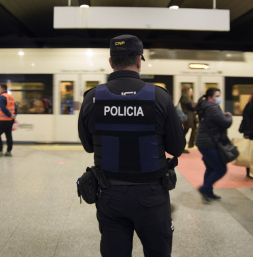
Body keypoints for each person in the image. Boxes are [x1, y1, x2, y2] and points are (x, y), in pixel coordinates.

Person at [78, 34, 186, 257]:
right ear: (139, 60)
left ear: (110, 61)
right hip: (152, 195)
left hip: (109, 194)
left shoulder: (92, 98)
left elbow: (88, 146)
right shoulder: (159, 96)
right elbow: (177, 147)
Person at [195, 87, 232, 202]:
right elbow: (225, 122)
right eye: (217, 96)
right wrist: (229, 116)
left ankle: (209, 192)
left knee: (211, 167)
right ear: (210, 97)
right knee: (221, 169)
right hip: (209, 143)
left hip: (204, 142)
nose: (219, 98)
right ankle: (205, 188)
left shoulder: (206, 106)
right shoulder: (212, 108)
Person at [0, 84, 17, 158]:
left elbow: (3, 108)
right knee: (8, 135)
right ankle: (8, 152)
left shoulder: (2, 97)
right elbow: (15, 108)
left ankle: (0, 151)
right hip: (10, 120)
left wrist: (9, 115)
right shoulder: (11, 97)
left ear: (3, 89)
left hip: (3, 120)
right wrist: (14, 115)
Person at [239, 91, 253, 178]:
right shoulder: (250, 105)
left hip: (250, 132)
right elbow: (246, 119)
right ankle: (250, 172)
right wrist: (247, 133)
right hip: (251, 133)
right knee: (250, 153)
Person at [180, 84, 197, 153]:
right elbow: (189, 106)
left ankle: (182, 146)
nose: (191, 90)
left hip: (189, 116)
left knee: (185, 131)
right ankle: (181, 146)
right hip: (188, 116)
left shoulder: (186, 96)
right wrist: (195, 108)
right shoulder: (184, 96)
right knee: (184, 132)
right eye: (190, 89)